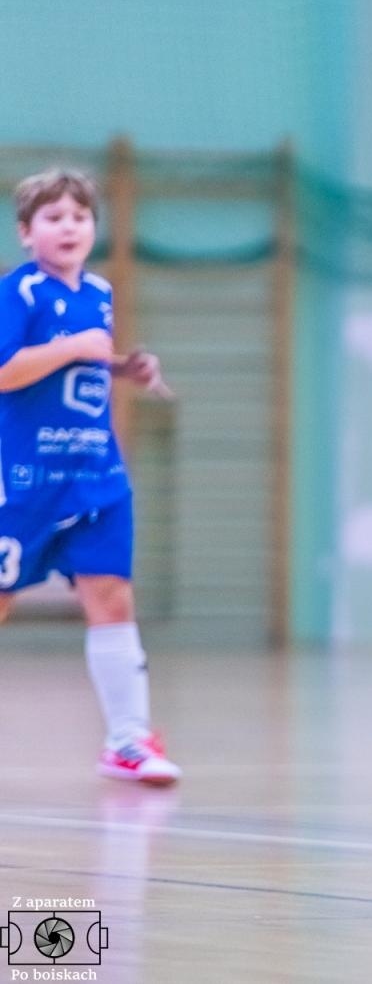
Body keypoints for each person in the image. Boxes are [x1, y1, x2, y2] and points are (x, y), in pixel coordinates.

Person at [1, 168, 181, 785]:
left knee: (111, 596)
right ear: (27, 233)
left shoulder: (98, 293)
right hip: (24, 480)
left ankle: (127, 741)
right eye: (53, 217)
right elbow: (5, 372)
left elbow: (84, 363)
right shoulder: (18, 293)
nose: (68, 226)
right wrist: (76, 347)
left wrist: (126, 366)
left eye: (79, 216)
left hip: (93, 473)